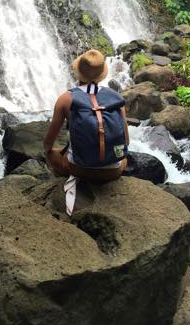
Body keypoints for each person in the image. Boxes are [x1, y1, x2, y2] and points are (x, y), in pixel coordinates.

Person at [43, 49, 130, 215]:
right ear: (102, 74)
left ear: (78, 73)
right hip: (113, 171)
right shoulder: (116, 98)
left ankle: (62, 188)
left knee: (52, 153)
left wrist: (50, 153)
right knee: (124, 157)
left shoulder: (66, 98)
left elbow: (48, 142)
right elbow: (126, 140)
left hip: (78, 169)